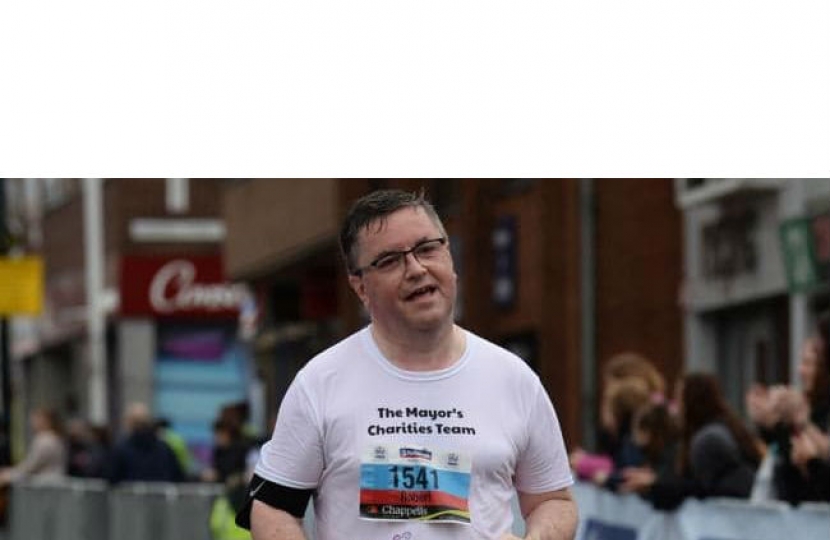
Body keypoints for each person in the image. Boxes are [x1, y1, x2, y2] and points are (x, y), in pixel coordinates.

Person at [236, 189, 577, 540]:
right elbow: (272, 507)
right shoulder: (320, 383)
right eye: (390, 261)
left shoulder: (513, 379)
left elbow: (553, 500)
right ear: (360, 287)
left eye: (427, 248)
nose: (415, 269)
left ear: (449, 256)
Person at [620, 373, 762, 510]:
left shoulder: (708, 440)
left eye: (679, 398)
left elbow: (701, 487)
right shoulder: (718, 430)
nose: (676, 407)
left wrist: (656, 485)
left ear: (691, 401)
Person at [746, 311, 830, 503]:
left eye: (809, 363)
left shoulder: (817, 413)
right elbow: (791, 475)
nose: (800, 371)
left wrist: (811, 460)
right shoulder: (811, 408)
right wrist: (772, 425)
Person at [108, 402, 184, 484]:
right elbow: (179, 477)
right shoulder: (165, 449)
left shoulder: (120, 450)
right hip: (159, 492)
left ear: (129, 423)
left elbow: (110, 477)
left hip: (128, 492)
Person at [0, 407, 66, 485]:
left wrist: (8, 474)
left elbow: (30, 467)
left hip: (43, 485)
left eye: (36, 419)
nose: (32, 423)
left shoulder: (45, 439)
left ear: (45, 421)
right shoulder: (55, 437)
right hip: (52, 483)